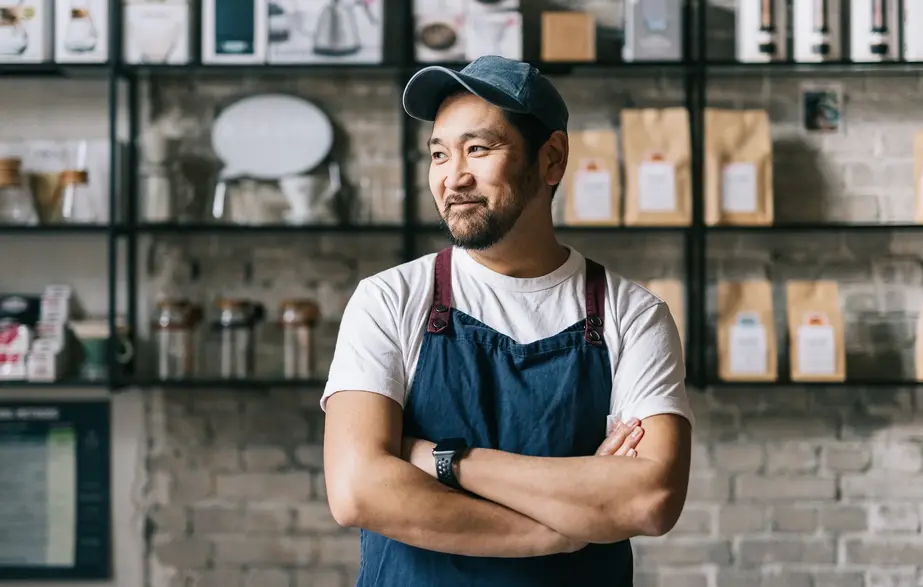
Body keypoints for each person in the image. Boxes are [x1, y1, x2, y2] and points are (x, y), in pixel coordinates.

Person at [321, 55, 695, 586]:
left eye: (478, 149)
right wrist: (559, 533)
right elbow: (357, 490)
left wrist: (445, 460)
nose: (454, 177)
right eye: (439, 154)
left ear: (552, 159)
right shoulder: (389, 300)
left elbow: (650, 499)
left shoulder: (632, 315)